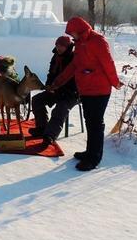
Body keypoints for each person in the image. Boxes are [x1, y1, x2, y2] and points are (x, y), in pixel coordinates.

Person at [48, 17, 121, 171]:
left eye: (72, 32)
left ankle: (94, 158)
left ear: (80, 29)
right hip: (86, 89)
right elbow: (74, 66)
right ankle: (89, 151)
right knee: (90, 121)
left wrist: (115, 82)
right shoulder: (79, 44)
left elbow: (108, 63)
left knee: (95, 123)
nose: (71, 36)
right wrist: (58, 82)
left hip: (99, 89)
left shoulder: (98, 41)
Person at [28, 36, 78, 146]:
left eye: (61, 46)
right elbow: (51, 74)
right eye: (57, 45)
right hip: (56, 89)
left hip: (72, 92)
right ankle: (42, 128)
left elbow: (74, 80)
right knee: (37, 100)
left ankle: (49, 135)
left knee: (60, 108)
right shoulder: (56, 56)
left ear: (67, 47)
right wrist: (48, 86)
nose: (58, 48)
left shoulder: (74, 57)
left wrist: (58, 89)